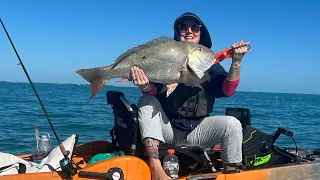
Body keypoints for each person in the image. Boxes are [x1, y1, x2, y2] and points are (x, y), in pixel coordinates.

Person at [130, 12, 250, 180]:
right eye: (183, 27)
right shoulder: (165, 57)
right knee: (146, 100)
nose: (189, 30)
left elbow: (226, 90)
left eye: (195, 27)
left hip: (197, 131)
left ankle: (231, 172)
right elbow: (153, 91)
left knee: (232, 124)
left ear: (201, 33)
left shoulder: (209, 64)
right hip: (167, 129)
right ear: (178, 32)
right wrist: (145, 86)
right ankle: (155, 167)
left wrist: (236, 62)